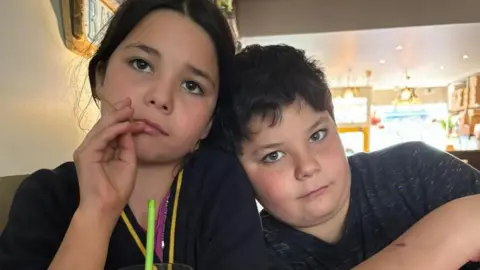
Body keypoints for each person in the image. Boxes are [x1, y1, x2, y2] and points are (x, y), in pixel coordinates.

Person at [0, 1, 267, 269]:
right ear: (101, 76)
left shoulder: (221, 183)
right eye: (141, 64)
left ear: (209, 120)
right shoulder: (46, 198)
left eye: (192, 85)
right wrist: (95, 215)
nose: (161, 97)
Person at [208, 44, 480, 269]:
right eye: (274, 155)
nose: (308, 167)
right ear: (237, 172)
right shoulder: (250, 255)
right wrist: (457, 227)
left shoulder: (416, 171)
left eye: (317, 136)